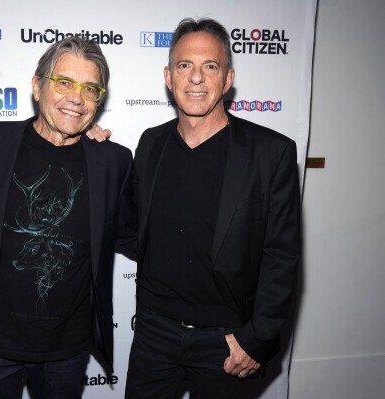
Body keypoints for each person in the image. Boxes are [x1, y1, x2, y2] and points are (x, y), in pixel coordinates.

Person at [0, 36, 136, 399]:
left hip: (67, 349)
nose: (77, 98)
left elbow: (136, 236)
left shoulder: (113, 161)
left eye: (90, 89)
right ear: (37, 86)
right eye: (64, 83)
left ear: (99, 100)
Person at [124, 18, 301, 398]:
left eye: (211, 66)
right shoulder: (151, 143)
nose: (197, 78)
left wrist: (257, 339)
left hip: (227, 343)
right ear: (169, 77)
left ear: (228, 78)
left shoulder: (271, 153)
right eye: (185, 66)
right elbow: (130, 225)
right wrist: (90, 148)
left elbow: (282, 257)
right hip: (154, 335)